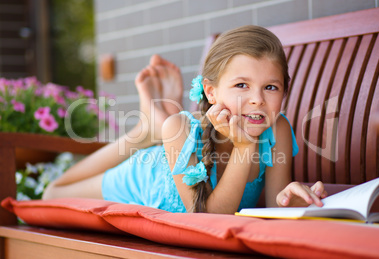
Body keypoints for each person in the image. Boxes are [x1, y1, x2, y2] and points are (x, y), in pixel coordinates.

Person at [43, 25, 327, 214]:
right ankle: (144, 132)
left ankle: (149, 128)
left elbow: (277, 205)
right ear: (211, 92)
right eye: (242, 85)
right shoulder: (179, 128)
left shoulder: (277, 128)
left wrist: (291, 200)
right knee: (53, 193)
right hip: (146, 177)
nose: (257, 99)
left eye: (271, 87)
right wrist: (244, 147)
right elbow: (210, 219)